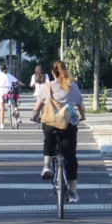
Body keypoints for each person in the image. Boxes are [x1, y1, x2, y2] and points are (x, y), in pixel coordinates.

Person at [31, 60, 86, 203]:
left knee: (48, 142)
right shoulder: (72, 86)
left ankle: (47, 166)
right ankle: (73, 193)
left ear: (52, 73)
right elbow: (81, 105)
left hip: (50, 122)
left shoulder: (47, 87)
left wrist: (34, 117)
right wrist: (82, 116)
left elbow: (37, 108)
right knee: (71, 157)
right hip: (68, 124)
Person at [0, 63, 26, 129]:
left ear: (0, 69)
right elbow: (17, 81)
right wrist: (23, 84)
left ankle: (2, 124)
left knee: (2, 108)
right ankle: (19, 117)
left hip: (1, 91)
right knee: (15, 104)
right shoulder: (9, 75)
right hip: (9, 91)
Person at [29, 64, 49, 130]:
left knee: (37, 109)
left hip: (37, 94)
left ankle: (38, 123)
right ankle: (44, 121)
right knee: (44, 108)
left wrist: (32, 84)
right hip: (45, 94)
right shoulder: (46, 75)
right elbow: (48, 83)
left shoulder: (34, 76)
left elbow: (31, 85)